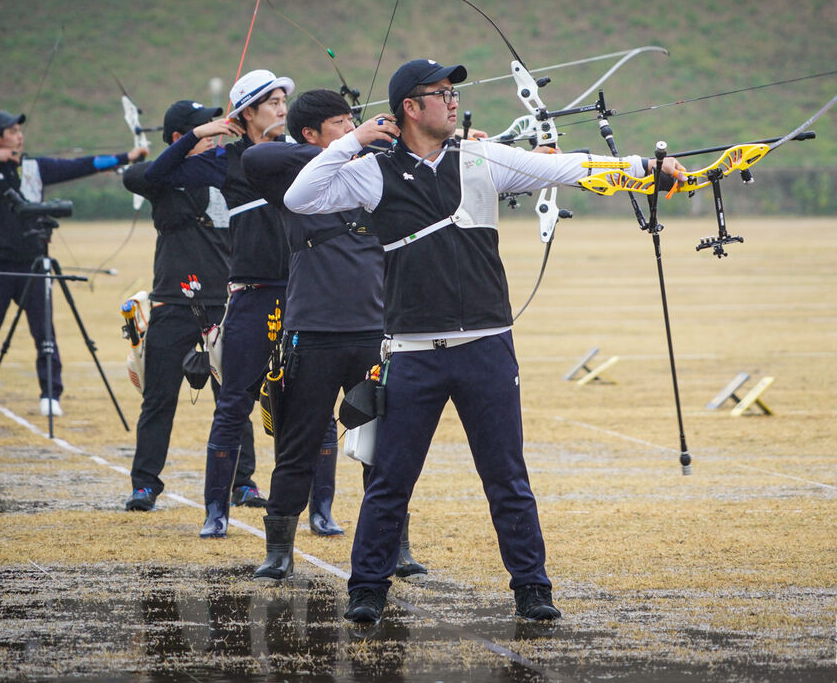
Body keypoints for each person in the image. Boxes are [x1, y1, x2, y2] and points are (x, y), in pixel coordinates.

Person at [284, 59, 689, 623]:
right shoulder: (372, 171)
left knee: (507, 478)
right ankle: (368, 589)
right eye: (441, 93)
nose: (453, 101)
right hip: (413, 352)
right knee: (390, 480)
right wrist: (351, 138)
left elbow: (569, 167)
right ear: (409, 107)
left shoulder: (479, 157)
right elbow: (299, 198)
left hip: (486, 347)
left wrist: (644, 167)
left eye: (455, 92)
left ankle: (532, 588)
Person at [241, 89, 427, 581]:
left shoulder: (376, 177)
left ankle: (397, 549)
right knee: (297, 449)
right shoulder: (295, 183)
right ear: (311, 135)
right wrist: (350, 145)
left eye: (353, 122)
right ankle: (279, 551)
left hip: (376, 336)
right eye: (340, 123)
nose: (352, 129)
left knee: (385, 452)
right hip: (313, 336)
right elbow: (255, 155)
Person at [143, 69, 292, 538]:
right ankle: (199, 504)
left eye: (285, 100)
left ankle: (302, 506)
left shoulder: (294, 154)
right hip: (231, 295)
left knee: (301, 406)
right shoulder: (221, 160)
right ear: (246, 113)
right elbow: (155, 174)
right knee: (227, 401)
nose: (283, 108)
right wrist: (197, 135)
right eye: (271, 101)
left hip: (296, 293)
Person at [0, 111, 148, 419]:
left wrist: (128, 155)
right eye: (12, 131)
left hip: (35, 263)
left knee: (45, 334)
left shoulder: (35, 167)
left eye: (19, 130)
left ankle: (50, 393)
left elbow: (82, 165)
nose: (19, 135)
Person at [122, 100, 231, 512]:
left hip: (224, 303)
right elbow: (141, 173)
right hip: (173, 302)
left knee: (232, 399)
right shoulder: (161, 179)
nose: (215, 134)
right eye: (206, 129)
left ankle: (244, 483)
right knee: (159, 398)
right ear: (178, 137)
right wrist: (195, 140)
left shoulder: (226, 171)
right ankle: (144, 484)